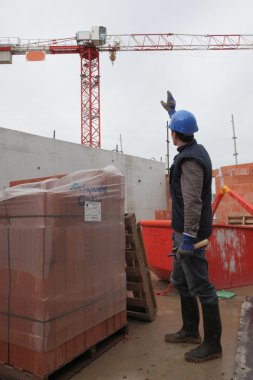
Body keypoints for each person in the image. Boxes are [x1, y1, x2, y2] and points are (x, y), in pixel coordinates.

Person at [160, 91, 222, 363]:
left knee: (203, 288)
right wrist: (173, 114)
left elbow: (194, 201)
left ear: (175, 135)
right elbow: (181, 128)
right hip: (182, 232)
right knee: (181, 281)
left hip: (190, 234)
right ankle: (189, 330)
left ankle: (212, 344)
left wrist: (187, 238)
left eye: (172, 130)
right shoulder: (191, 147)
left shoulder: (190, 162)